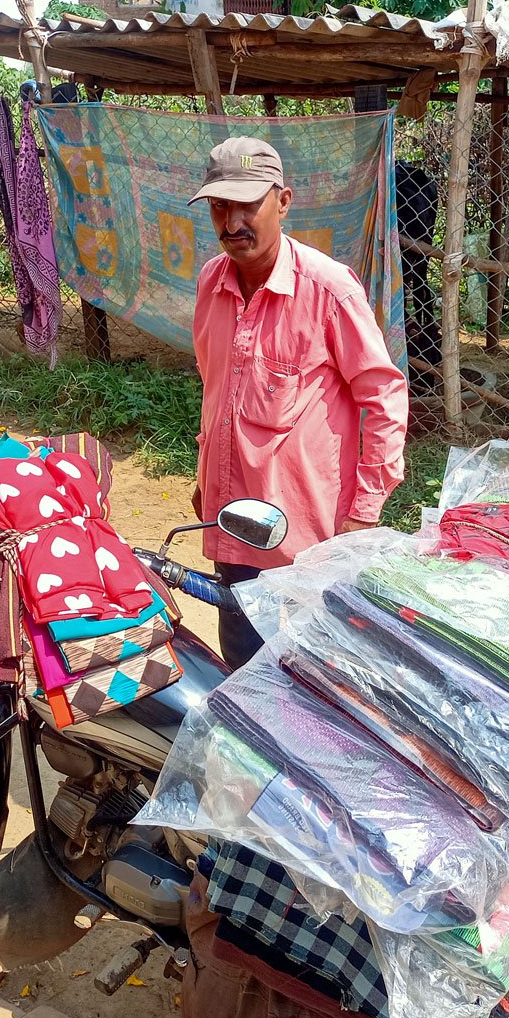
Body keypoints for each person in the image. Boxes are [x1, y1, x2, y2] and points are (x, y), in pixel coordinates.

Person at [189, 136, 408, 668]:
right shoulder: (210, 283)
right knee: (244, 666)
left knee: (312, 681)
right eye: (220, 205)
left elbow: (383, 395)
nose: (232, 221)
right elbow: (215, 389)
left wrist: (364, 509)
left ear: (283, 202)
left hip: (309, 538)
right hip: (233, 521)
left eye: (248, 204)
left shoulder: (329, 290)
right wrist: (207, 480)